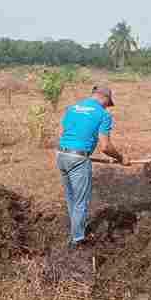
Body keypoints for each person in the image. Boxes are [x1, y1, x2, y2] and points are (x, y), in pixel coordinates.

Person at [57, 85, 129, 249]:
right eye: (107, 103)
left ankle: (75, 229)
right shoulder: (103, 114)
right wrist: (121, 157)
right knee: (81, 202)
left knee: (71, 198)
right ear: (104, 98)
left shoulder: (72, 108)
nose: (106, 106)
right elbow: (105, 147)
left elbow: (63, 133)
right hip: (78, 159)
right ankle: (78, 240)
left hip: (61, 155)